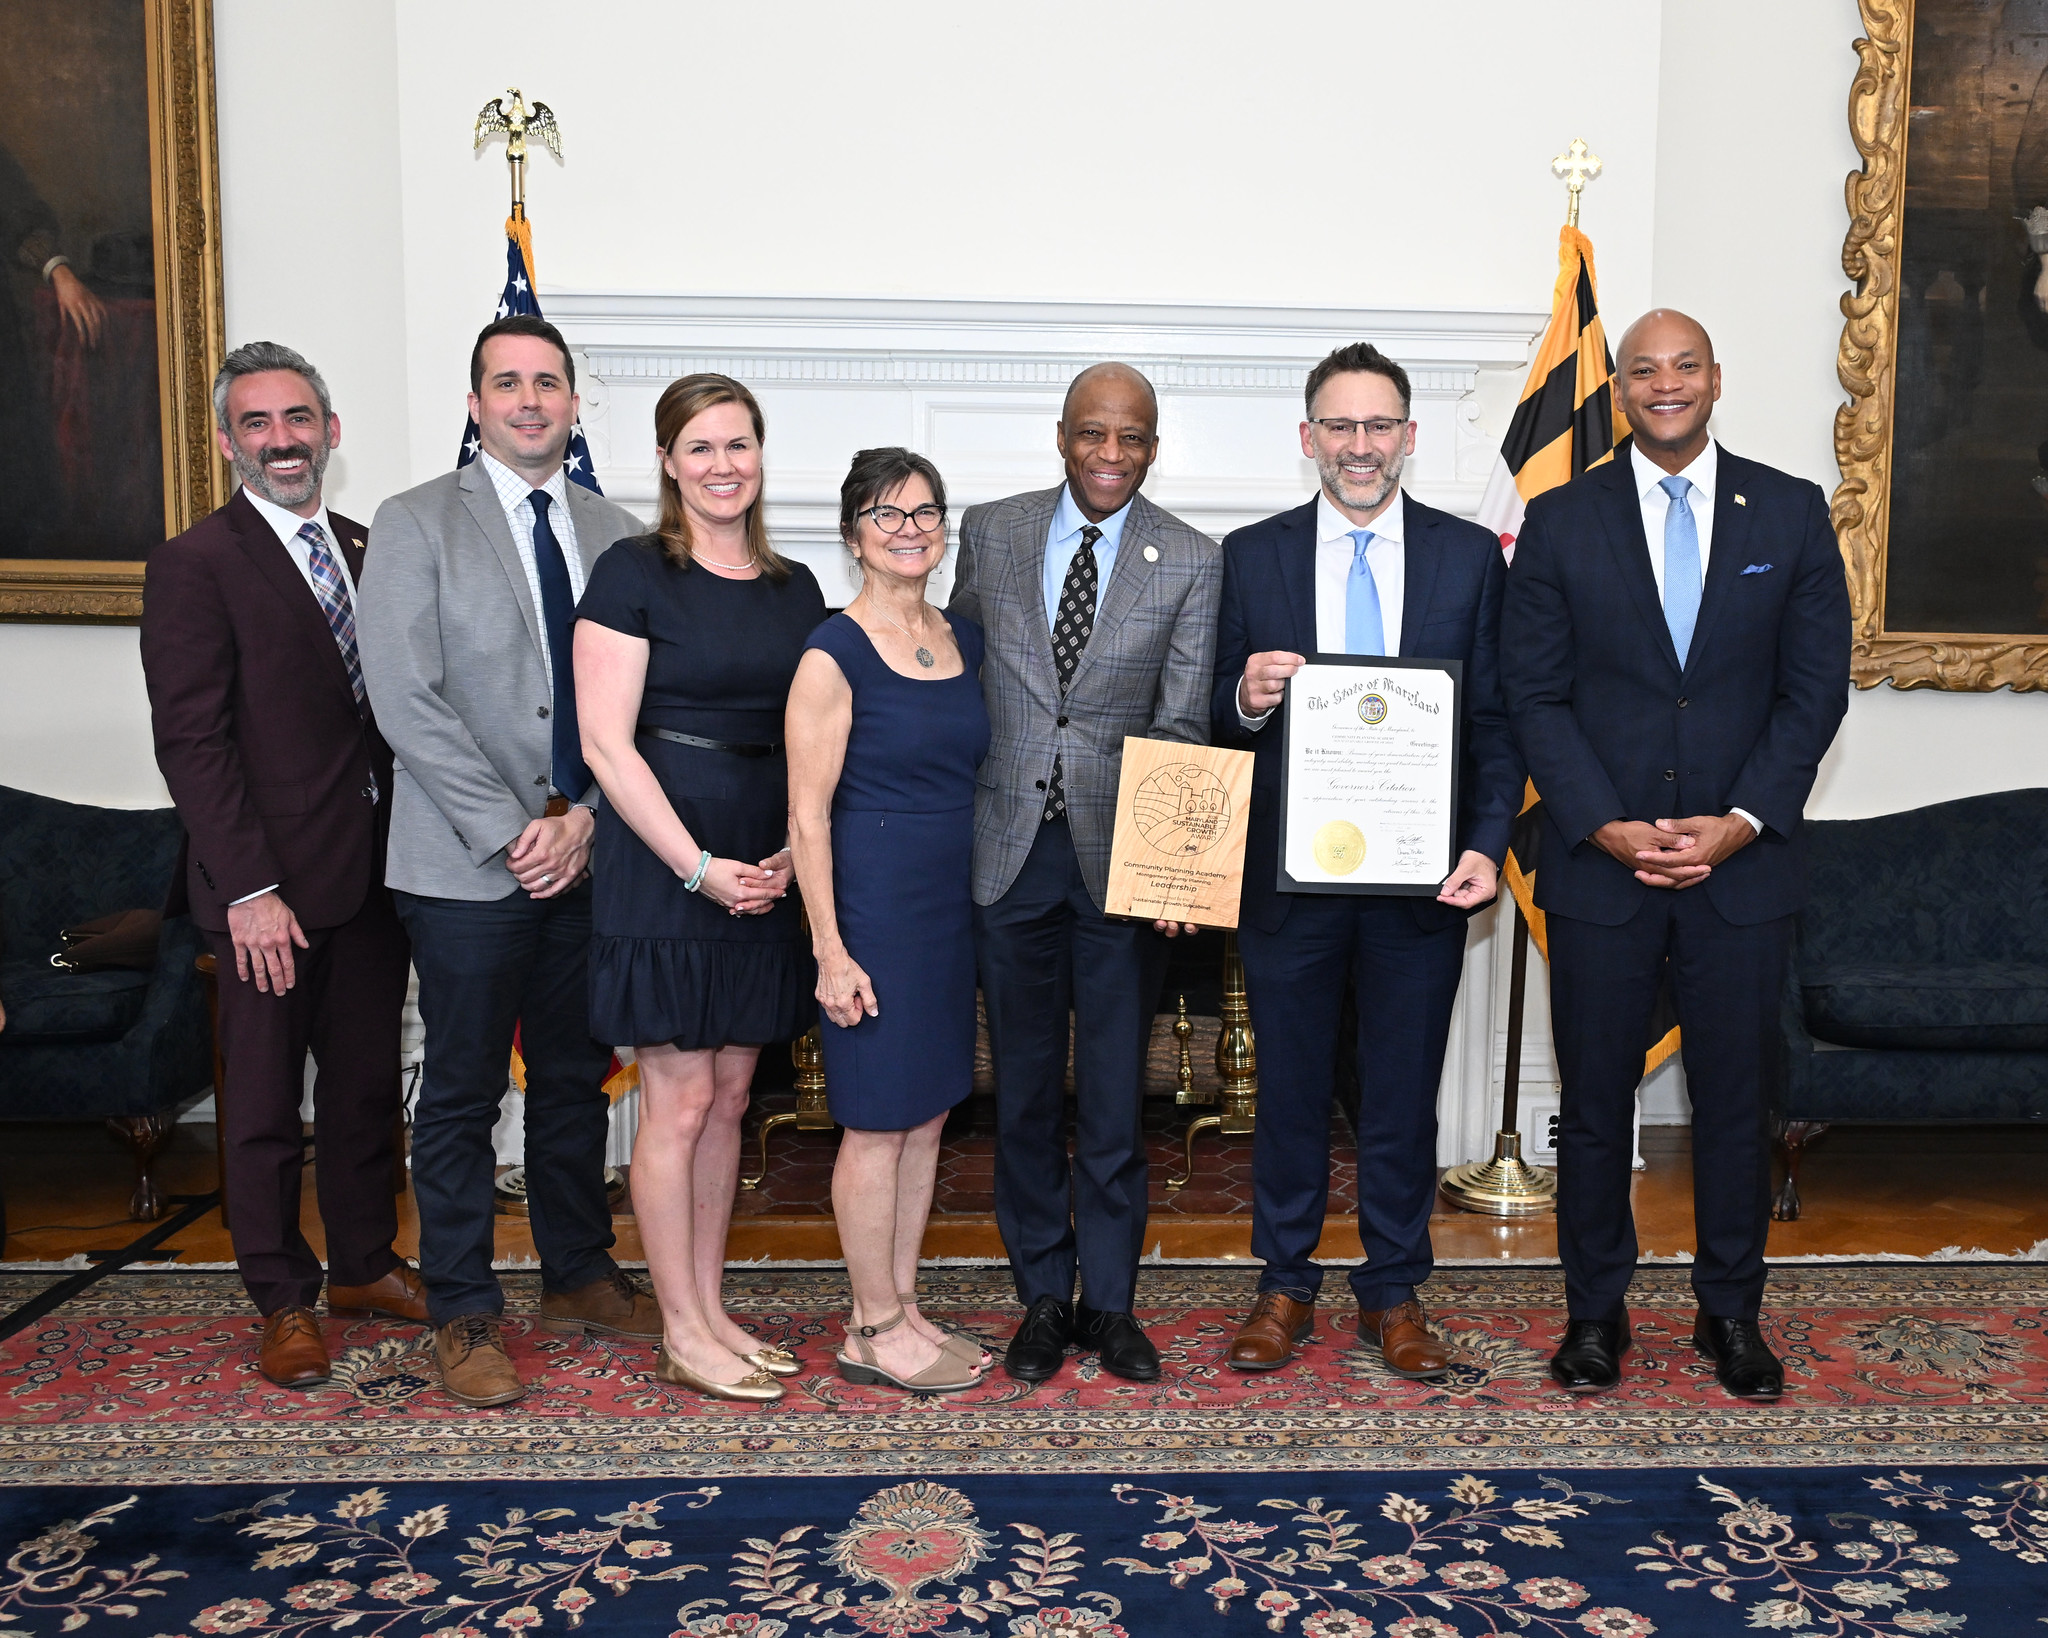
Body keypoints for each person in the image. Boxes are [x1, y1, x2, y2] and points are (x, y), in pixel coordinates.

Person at [1500, 309, 1851, 1401]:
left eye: (1682, 366)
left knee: (1735, 1104)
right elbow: (1534, 692)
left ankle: (1729, 1316)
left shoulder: (1788, 514)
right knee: (1594, 1106)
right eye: (1641, 370)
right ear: (1616, 390)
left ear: (1714, 379)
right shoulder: (1558, 521)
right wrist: (1601, 821)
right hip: (1599, 870)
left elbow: (1811, 691)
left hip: (1738, 873)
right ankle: (1593, 1314)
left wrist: (1740, 818)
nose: (1663, 385)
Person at [357, 314, 656, 1408]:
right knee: (463, 1090)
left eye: (548, 383)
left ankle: (578, 1270)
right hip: (465, 864)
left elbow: (634, 704)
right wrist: (511, 828)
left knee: (576, 1078)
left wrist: (577, 816)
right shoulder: (413, 521)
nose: (529, 401)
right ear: (475, 402)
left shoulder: (617, 533)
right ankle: (462, 1309)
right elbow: (404, 697)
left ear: (575, 403)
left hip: (586, 855)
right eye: (506, 383)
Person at [1210, 342, 1525, 1379]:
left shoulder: (1468, 557)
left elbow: (1494, 721)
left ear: (1407, 438)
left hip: (1420, 884)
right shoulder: (1248, 557)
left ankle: (1393, 1291)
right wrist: (1248, 697)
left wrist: (1487, 843)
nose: (1358, 446)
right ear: (1307, 439)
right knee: (1290, 1094)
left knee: (1400, 1097)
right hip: (1287, 885)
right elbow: (1207, 712)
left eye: (1377, 425)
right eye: (1338, 427)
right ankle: (1283, 1286)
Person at [140, 341, 420, 1389]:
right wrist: (250, 890)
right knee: (261, 1106)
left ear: (330, 431)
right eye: (256, 423)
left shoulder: (365, 545)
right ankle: (282, 1297)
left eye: (297, 418)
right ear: (227, 443)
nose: (281, 439)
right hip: (265, 892)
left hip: (374, 874)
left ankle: (362, 1265)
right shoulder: (194, 564)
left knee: (361, 1093)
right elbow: (194, 743)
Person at [949, 363, 1223, 1385]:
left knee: (1113, 1102)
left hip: (1123, 870)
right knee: (1018, 1096)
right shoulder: (991, 529)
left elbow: (1183, 725)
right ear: (1062, 435)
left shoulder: (1191, 560)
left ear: (1154, 447)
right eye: (1094, 434)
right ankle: (1039, 1298)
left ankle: (1108, 1303)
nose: (1112, 454)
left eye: (1133, 439)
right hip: (1006, 854)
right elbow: (956, 666)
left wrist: (1179, 876)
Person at [574, 375, 825, 1404]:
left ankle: (713, 1309)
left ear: (761, 455)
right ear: (669, 463)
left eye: (740, 444)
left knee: (728, 1098)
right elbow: (604, 741)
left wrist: (780, 855)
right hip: (664, 865)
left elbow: (813, 736)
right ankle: (679, 1324)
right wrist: (694, 866)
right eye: (700, 447)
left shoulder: (796, 587)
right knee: (676, 1103)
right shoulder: (630, 572)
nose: (723, 464)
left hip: (759, 869)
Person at [788, 448, 995, 1396]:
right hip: (872, 906)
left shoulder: (962, 636)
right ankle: (869, 1326)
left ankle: (903, 1305)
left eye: (924, 512)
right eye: (886, 514)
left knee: (928, 1115)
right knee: (875, 1122)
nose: (909, 528)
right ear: (851, 535)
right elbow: (806, 817)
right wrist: (830, 949)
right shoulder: (831, 652)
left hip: (950, 910)